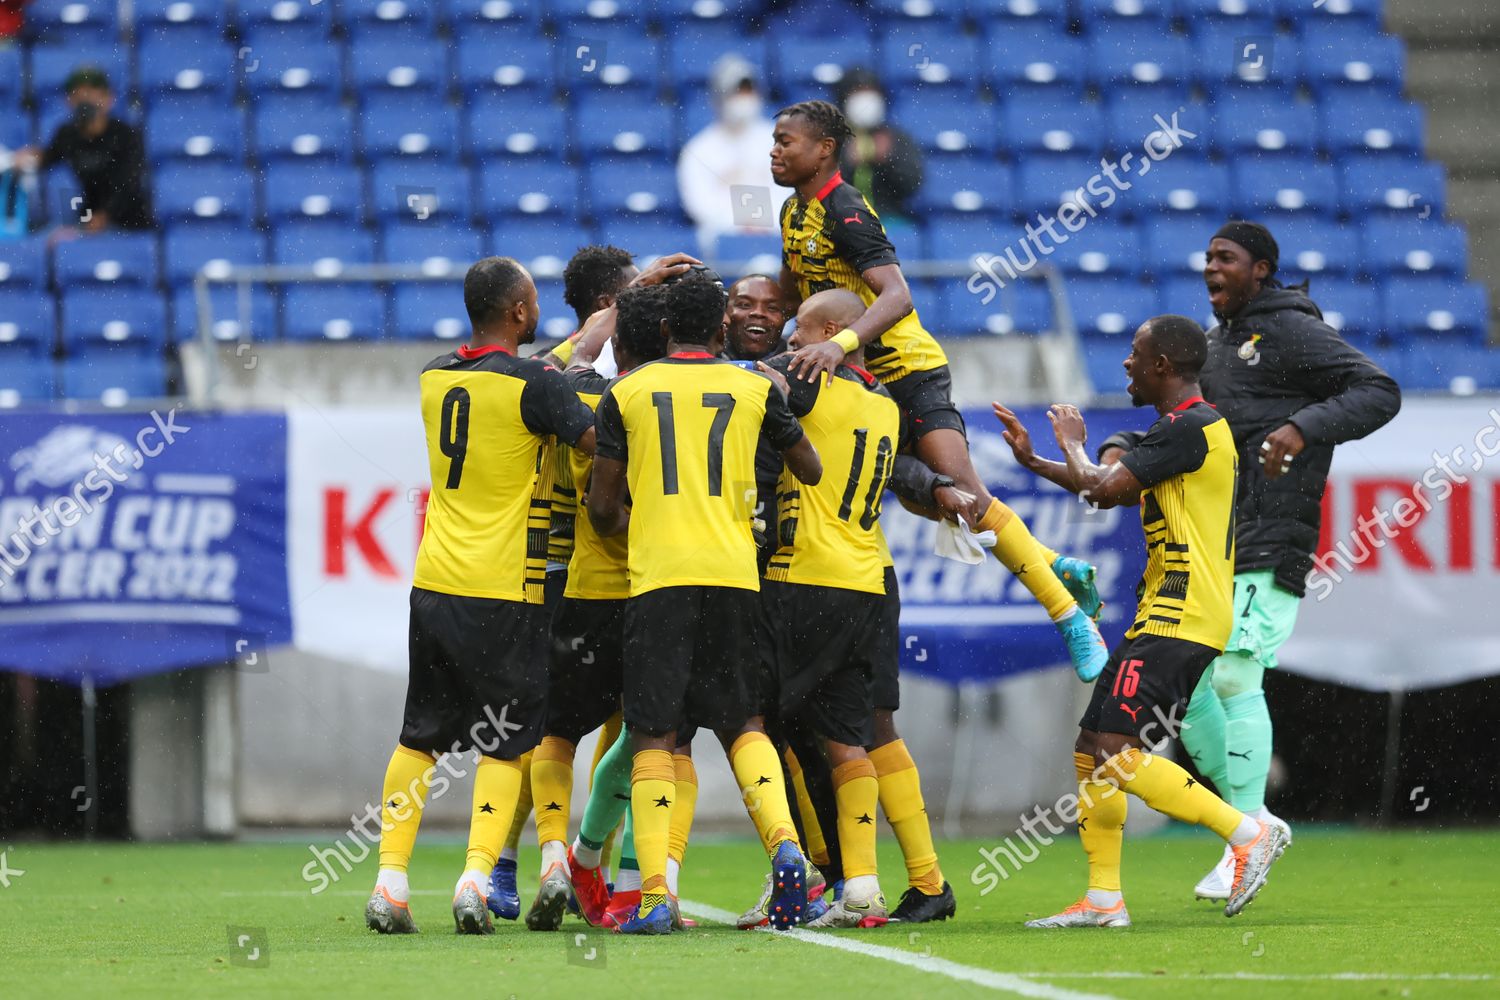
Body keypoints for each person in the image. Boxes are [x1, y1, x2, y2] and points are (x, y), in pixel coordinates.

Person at [1096, 221, 1400, 902]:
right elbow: (1183, 417)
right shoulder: (1214, 346)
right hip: (1219, 542)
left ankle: (1253, 827)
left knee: (1235, 675)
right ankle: (1243, 828)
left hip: (1273, 532)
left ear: (1261, 270)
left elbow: (1380, 389)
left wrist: (1302, 428)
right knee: (1197, 685)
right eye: (1206, 257)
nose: (1211, 267)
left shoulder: (1289, 331)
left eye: (1225, 258)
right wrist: (1122, 442)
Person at [771, 99, 1110, 681]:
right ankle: (1055, 564)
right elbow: (792, 291)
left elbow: (899, 295)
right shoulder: (791, 212)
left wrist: (840, 343)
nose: (774, 151)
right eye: (774, 141)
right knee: (920, 496)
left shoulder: (845, 208)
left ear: (824, 149)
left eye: (786, 141)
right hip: (857, 381)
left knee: (966, 497)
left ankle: (1070, 616)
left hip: (906, 370)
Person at [995, 315, 1288, 928]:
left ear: (1162, 365)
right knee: (1090, 749)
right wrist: (1037, 461)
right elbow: (1116, 488)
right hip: (1166, 611)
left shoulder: (1193, 426)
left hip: (1182, 616)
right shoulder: (1179, 431)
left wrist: (1073, 441)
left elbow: (1100, 488)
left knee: (1115, 750)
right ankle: (1104, 900)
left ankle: (1246, 832)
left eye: (1135, 353)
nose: (1126, 363)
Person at [365, 257, 597, 936]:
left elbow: (529, 376)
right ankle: (474, 877)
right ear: (522, 312)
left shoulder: (436, 374)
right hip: (509, 590)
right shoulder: (536, 385)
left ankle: (390, 884)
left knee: (420, 736)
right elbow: (590, 435)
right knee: (507, 743)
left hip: (435, 581)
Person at [587, 271, 823, 934]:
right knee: (745, 724)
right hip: (735, 576)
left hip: (660, 580)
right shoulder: (752, 387)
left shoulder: (626, 392)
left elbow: (603, 510)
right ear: (721, 326)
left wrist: (656, 518)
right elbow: (809, 469)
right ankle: (785, 850)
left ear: (663, 331)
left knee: (657, 735)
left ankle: (657, 897)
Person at [15, 66, 155, 233]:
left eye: (92, 92)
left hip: (131, 221)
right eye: (78, 93)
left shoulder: (126, 135)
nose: (85, 99)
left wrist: (105, 216)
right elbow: (49, 158)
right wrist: (27, 158)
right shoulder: (67, 134)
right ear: (69, 100)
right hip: (90, 213)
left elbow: (129, 184)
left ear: (109, 99)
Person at [677, 54, 793, 254]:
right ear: (720, 97)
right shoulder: (699, 149)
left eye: (749, 91)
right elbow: (698, 204)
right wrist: (742, 224)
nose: (744, 99)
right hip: (721, 242)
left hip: (777, 236)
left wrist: (763, 222)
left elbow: (791, 190)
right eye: (737, 92)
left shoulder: (781, 139)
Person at [837, 69, 924, 226]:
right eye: (858, 92)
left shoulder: (895, 137)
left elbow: (912, 184)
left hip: (890, 218)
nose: (866, 99)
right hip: (841, 220)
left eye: (871, 92)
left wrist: (890, 159)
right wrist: (846, 162)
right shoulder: (830, 139)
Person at [723, 273, 788, 362]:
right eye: (745, 305)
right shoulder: (703, 362)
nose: (758, 313)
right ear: (725, 312)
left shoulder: (800, 367)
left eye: (772, 308)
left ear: (785, 317)